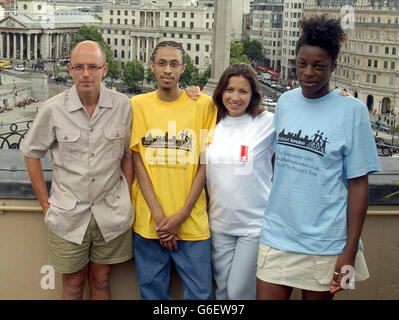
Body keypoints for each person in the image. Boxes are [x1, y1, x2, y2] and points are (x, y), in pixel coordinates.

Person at [256, 16, 381, 300]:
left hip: (326, 244)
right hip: (277, 236)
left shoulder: (353, 111)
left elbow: (359, 186)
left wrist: (348, 254)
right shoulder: (286, 102)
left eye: (319, 66)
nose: (308, 73)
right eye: (302, 64)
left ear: (333, 66)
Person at [21, 40, 134, 300]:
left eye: (93, 67)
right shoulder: (52, 109)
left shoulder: (122, 106)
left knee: (101, 281)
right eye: (80, 67)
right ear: (69, 69)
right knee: (72, 285)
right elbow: (31, 153)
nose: (86, 74)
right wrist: (45, 205)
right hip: (69, 215)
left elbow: (128, 154)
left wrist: (126, 195)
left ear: (104, 69)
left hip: (110, 212)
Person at [130, 41, 217, 300]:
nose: (167, 69)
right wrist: (160, 218)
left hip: (192, 223)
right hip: (149, 224)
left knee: (201, 296)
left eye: (174, 64)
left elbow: (205, 163)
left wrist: (181, 215)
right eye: (162, 63)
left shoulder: (203, 105)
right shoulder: (137, 105)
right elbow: (138, 163)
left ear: (183, 68)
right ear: (152, 67)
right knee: (152, 296)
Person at [206, 63, 275, 299]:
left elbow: (305, 119)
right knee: (223, 292)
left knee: (238, 293)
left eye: (243, 91)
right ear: (221, 92)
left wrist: (338, 99)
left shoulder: (267, 122)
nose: (235, 97)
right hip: (219, 225)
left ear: (253, 95)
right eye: (230, 90)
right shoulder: (210, 122)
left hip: (253, 226)